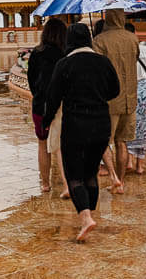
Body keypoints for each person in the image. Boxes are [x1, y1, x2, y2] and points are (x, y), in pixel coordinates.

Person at [40, 23, 120, 241]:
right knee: (91, 172)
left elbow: (53, 97)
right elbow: (115, 90)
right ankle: (90, 213)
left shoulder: (64, 64)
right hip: (101, 125)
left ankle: (85, 218)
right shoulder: (103, 62)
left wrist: (46, 121)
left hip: (76, 125)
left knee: (74, 174)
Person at [92, 8, 139, 192]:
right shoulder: (133, 39)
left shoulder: (100, 41)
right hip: (129, 98)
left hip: (108, 99)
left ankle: (113, 177)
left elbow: (95, 67)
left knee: (104, 141)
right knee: (122, 142)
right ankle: (121, 181)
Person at [27, 18, 67, 194]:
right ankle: (67, 182)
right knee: (61, 145)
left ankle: (45, 183)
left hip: (40, 104)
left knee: (42, 144)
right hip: (61, 104)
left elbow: (31, 79)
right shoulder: (65, 54)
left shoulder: (37, 53)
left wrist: (38, 94)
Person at [126, 22, 146, 174]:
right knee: (145, 127)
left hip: (130, 90)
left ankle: (130, 160)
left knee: (130, 125)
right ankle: (140, 166)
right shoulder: (145, 49)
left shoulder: (124, 51)